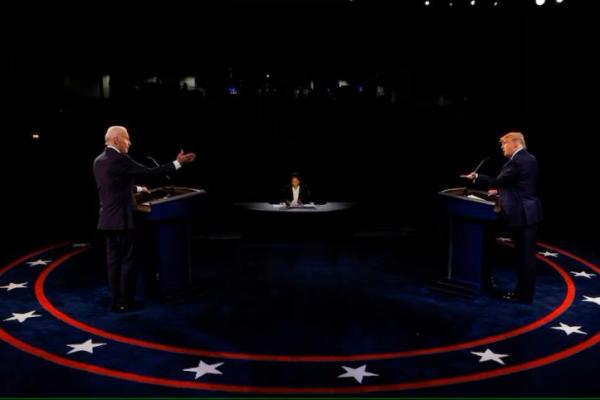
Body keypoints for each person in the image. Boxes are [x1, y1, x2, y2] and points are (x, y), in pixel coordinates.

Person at [93, 126, 196, 312]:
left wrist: (138, 190)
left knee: (113, 263)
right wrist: (178, 162)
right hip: (122, 220)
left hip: (107, 220)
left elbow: (113, 186)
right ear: (116, 140)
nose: (129, 143)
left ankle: (116, 301)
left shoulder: (99, 161)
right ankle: (125, 302)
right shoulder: (121, 159)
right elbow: (150, 173)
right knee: (126, 262)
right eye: (127, 139)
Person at [462, 131, 542, 303]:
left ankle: (522, 295)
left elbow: (498, 180)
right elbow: (520, 184)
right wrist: (500, 191)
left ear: (514, 143)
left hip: (521, 214)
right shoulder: (530, 158)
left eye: (503, 144)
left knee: (524, 257)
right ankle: (525, 293)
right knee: (526, 256)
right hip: (530, 212)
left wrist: (477, 176)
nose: (502, 148)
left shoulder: (516, 161)